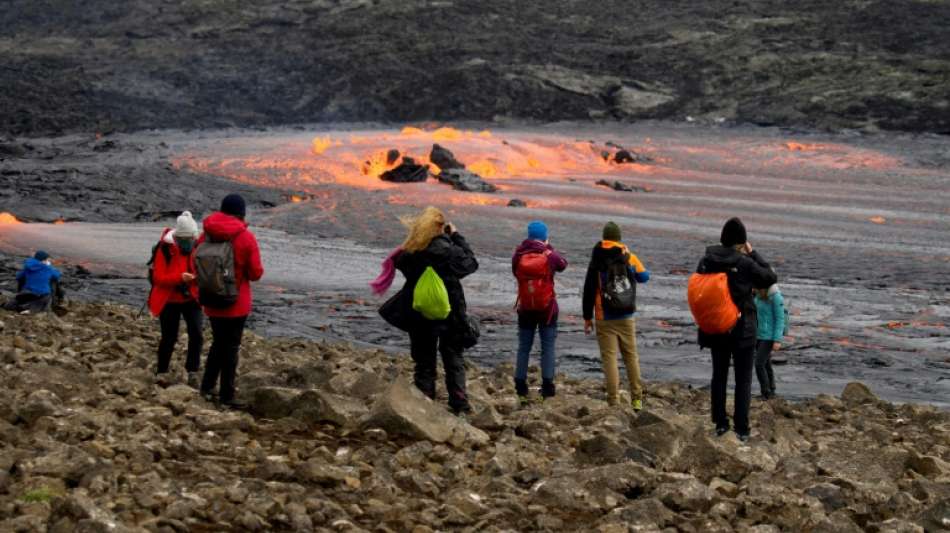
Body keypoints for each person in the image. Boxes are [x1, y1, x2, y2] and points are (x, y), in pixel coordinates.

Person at [375, 206, 478, 414]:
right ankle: (459, 403)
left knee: (424, 359)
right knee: (453, 358)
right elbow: (471, 264)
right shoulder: (449, 251)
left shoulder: (411, 252)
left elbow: (399, 263)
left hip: (419, 312)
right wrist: (456, 236)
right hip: (451, 312)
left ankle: (424, 400)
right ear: (441, 228)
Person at [696, 217, 777, 441]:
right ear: (741, 242)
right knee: (743, 380)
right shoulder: (745, 263)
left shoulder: (706, 260)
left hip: (716, 327)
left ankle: (720, 423)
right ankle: (741, 429)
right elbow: (770, 277)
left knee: (719, 376)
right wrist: (753, 253)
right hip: (743, 329)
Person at [197, 194, 264, 407]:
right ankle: (227, 395)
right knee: (231, 348)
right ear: (241, 213)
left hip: (210, 299)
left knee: (218, 343)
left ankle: (207, 387)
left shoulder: (205, 234)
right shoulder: (246, 238)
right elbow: (255, 273)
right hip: (236, 303)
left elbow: (195, 262)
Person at [582, 221, 650, 410]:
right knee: (631, 356)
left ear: (604, 238)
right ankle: (637, 399)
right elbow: (645, 277)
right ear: (619, 238)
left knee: (609, 358)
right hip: (626, 314)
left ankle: (613, 401)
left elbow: (589, 289)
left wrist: (587, 317)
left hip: (604, 315)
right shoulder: (628, 256)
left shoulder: (596, 259)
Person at [512, 220, 567, 404]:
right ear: (544, 236)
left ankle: (520, 386)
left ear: (529, 235)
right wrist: (548, 247)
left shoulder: (519, 254)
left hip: (526, 308)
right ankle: (547, 388)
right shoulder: (549, 255)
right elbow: (563, 264)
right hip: (547, 309)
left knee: (524, 348)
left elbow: (515, 272)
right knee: (547, 347)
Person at [148, 211, 203, 387]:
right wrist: (180, 278)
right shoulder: (165, 249)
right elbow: (158, 278)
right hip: (169, 299)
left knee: (197, 334)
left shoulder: (197, 246)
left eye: (191, 239)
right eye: (185, 240)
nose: (189, 243)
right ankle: (162, 372)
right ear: (178, 237)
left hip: (191, 297)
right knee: (169, 337)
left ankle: (192, 371)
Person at [754, 284, 785, 399]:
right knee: (766, 363)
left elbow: (780, 319)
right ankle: (771, 389)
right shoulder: (757, 295)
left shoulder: (776, 297)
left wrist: (777, 339)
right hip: (758, 335)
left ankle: (765, 392)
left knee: (759, 364)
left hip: (769, 337)